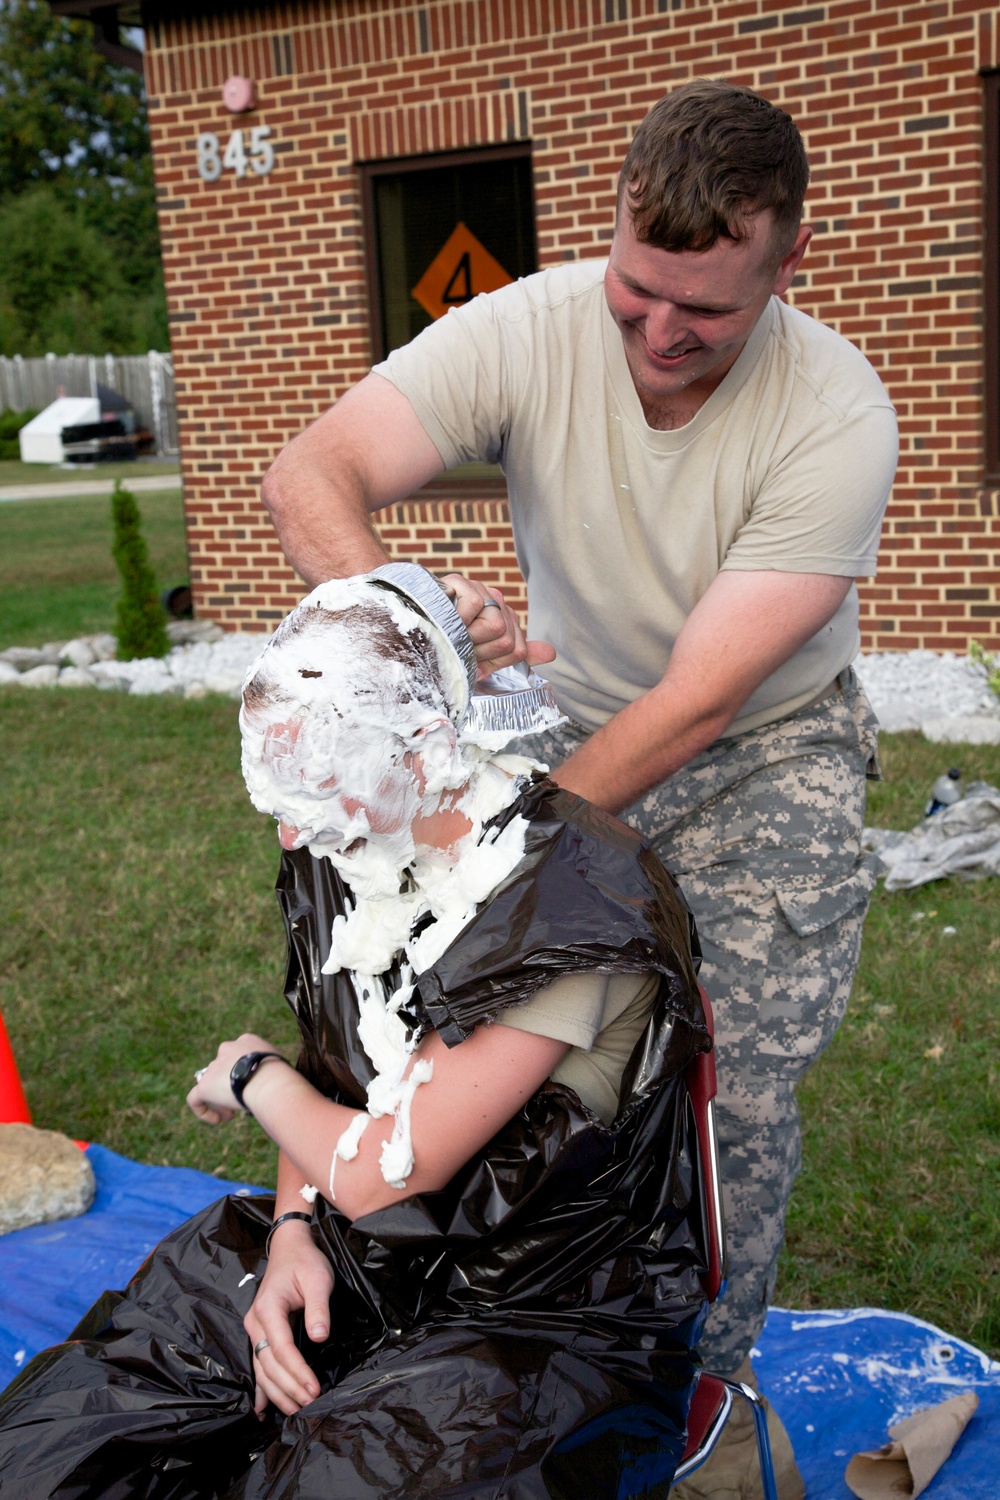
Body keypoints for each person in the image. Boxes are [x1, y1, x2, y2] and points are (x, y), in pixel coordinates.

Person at [258, 79, 899, 1497]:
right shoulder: (535, 326)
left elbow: (702, 701)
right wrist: (413, 614)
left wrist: (511, 855)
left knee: (722, 1092)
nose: (661, 338)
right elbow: (313, 472)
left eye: (706, 314)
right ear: (606, 241)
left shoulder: (838, 412)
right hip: (569, 720)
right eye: (634, 298)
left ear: (785, 265)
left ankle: (698, 1408)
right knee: (497, 1046)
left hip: (760, 751)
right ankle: (501, 1343)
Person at [0, 571, 709, 1499]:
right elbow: (339, 1075)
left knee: (333, 1483)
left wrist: (249, 1074)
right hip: (365, 1242)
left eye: (312, 793)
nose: (293, 835)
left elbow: (388, 1166)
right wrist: (294, 1230)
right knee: (68, 1434)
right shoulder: (356, 834)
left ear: (421, 746)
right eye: (279, 798)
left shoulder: (568, 915)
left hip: (545, 1309)